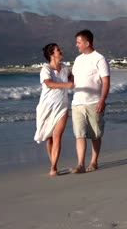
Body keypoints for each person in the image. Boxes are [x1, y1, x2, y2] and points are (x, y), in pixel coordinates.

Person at [70, 29, 110, 174]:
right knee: (79, 134)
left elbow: (106, 82)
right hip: (77, 103)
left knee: (95, 135)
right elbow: (73, 79)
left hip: (94, 102)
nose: (77, 45)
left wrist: (102, 100)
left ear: (87, 43)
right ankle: (80, 164)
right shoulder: (78, 59)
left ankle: (94, 161)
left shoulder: (99, 59)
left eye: (79, 42)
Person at [34, 43, 74, 176]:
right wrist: (66, 84)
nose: (61, 51)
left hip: (62, 106)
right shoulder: (45, 69)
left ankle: (53, 168)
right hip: (47, 107)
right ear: (52, 54)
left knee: (57, 136)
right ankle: (53, 165)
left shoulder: (64, 68)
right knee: (49, 139)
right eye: (58, 50)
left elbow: (72, 77)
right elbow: (49, 83)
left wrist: (72, 80)